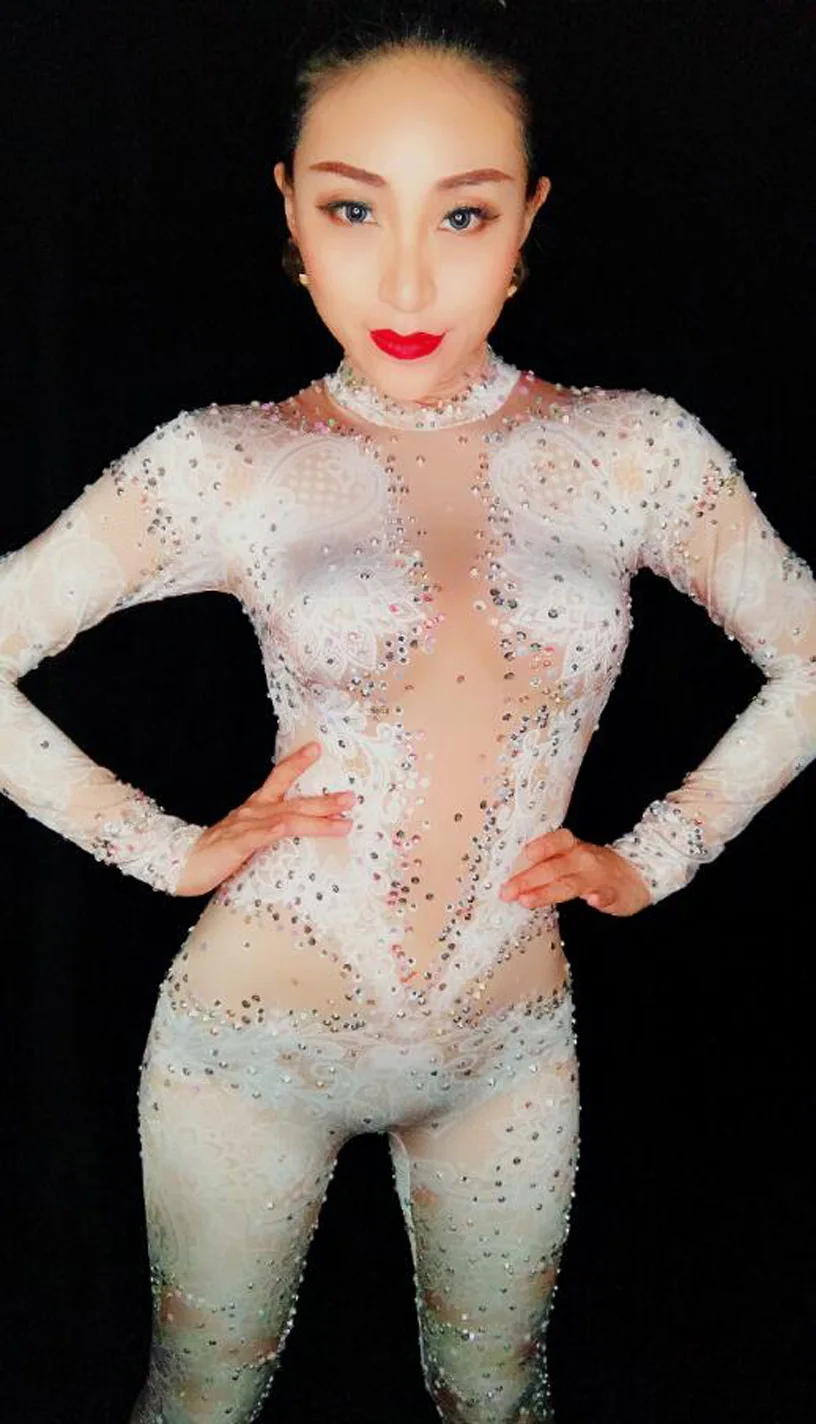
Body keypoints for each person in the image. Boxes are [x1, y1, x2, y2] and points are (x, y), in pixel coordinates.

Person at [1, 4, 814, 1422]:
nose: (407, 276)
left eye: (464, 214)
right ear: (291, 213)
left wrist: (665, 850)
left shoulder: (636, 450)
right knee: (201, 1398)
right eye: (354, 208)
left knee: (501, 1399)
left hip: (508, 1046)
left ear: (529, 219)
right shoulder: (225, 462)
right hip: (254, 1039)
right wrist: (159, 846)